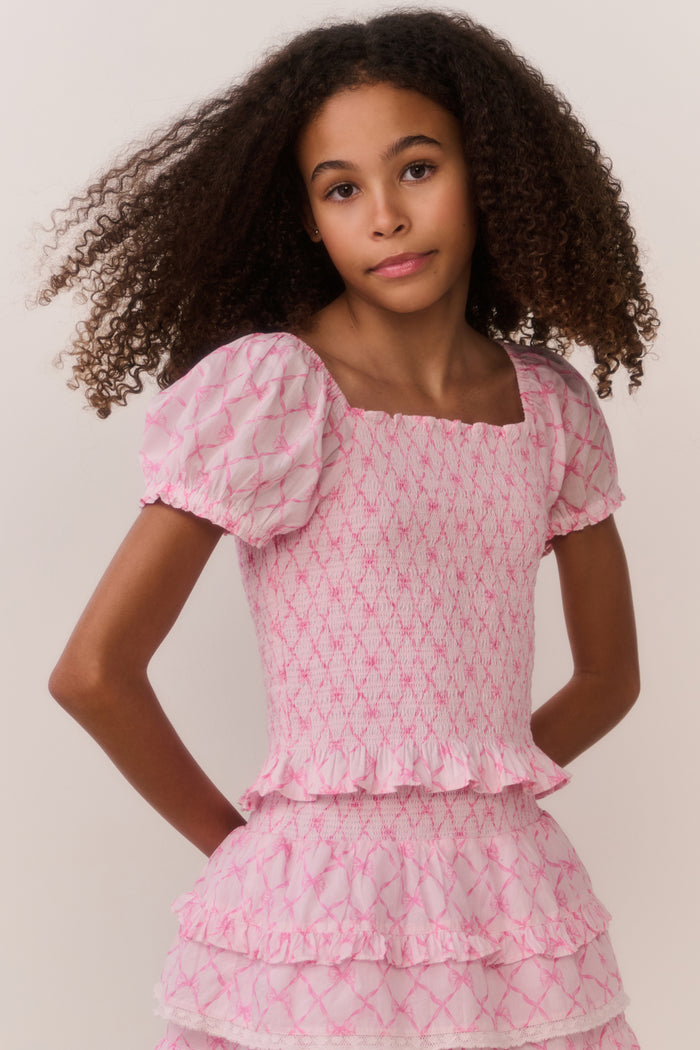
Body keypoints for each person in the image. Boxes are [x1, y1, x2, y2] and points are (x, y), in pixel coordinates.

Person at [39, 9, 657, 1050]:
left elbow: (609, 678)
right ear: (308, 220)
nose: (383, 215)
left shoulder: (550, 410)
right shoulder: (277, 393)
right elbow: (94, 672)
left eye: (416, 169)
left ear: (492, 173)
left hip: (505, 905)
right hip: (314, 907)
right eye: (340, 188)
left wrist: (474, 787)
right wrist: (241, 851)